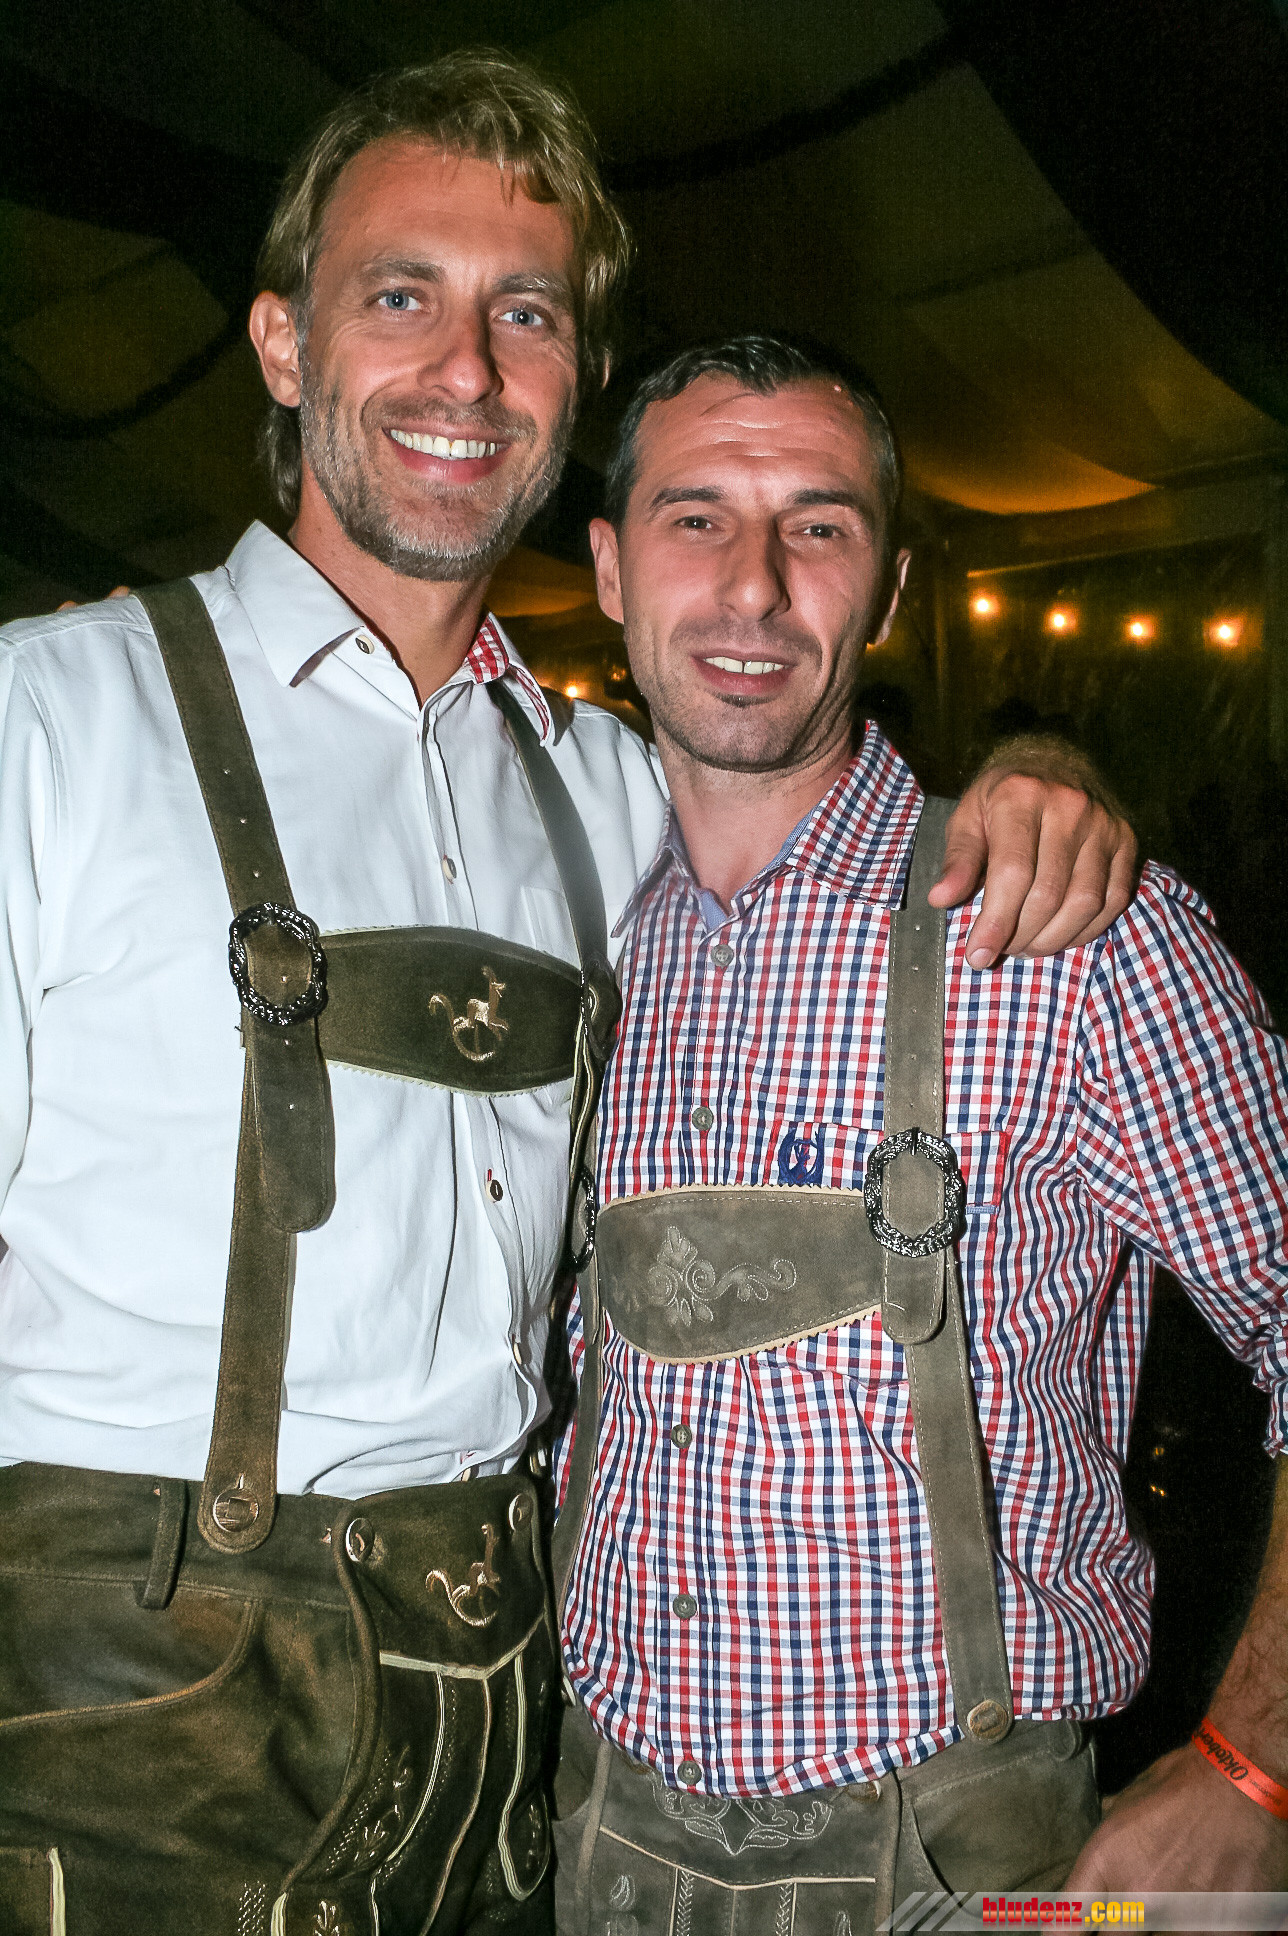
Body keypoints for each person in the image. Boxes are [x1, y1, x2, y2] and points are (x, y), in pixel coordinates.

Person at [0, 57, 1133, 1936]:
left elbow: (830, 798)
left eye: (523, 315)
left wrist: (1042, 768)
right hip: (129, 1706)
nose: (466, 369)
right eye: (401, 296)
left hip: (512, 1705)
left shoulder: (607, 789)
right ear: (280, 344)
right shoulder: (47, 724)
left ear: (573, 383)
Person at [550, 336, 1288, 1930]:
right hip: (598, 1828)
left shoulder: (1070, 934)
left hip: (953, 1855)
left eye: (816, 526)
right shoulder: (570, 928)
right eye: (694, 517)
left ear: (887, 589)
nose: (753, 587)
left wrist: (1257, 1767)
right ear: (608, 569)